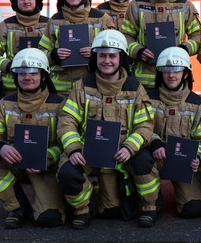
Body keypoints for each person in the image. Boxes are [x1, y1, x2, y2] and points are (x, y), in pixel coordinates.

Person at [56, 30, 155, 229]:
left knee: (141, 163)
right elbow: (67, 120)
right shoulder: (81, 86)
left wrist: (129, 147)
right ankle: (84, 207)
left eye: (112, 55)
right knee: (67, 172)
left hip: (122, 153)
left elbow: (145, 125)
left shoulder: (135, 88)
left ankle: (149, 206)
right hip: (87, 151)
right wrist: (74, 149)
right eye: (102, 55)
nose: (107, 60)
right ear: (95, 57)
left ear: (121, 58)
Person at [0, 48, 67, 229]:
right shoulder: (5, 103)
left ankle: (54, 202)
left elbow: (66, 143)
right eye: (22, 73)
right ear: (15, 77)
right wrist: (1, 147)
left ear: (44, 76)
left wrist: (48, 157)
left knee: (50, 220)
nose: (27, 77)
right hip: (15, 163)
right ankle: (18, 207)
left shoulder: (59, 104)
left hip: (46, 169)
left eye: (33, 73)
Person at [142, 47, 201, 222]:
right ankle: (152, 201)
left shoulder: (198, 104)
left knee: (194, 209)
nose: (171, 75)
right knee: (140, 161)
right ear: (160, 73)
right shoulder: (148, 99)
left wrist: (198, 156)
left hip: (184, 163)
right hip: (155, 157)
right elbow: (141, 127)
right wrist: (155, 142)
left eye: (176, 70)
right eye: (166, 70)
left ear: (186, 73)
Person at [122, 0, 201, 90]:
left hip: (177, 79)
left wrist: (184, 49)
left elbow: (198, 35)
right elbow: (125, 36)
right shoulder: (136, 5)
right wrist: (138, 51)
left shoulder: (185, 5)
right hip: (145, 82)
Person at [38, 0, 115, 96]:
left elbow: (116, 52)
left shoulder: (102, 18)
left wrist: (96, 53)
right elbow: (41, 53)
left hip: (92, 87)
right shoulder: (55, 21)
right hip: (60, 90)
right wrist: (54, 55)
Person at [0, 0, 49, 105]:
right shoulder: (5, 26)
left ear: (37, 0)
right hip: (12, 88)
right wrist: (8, 66)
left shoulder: (49, 24)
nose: (26, 1)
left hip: (43, 88)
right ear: (15, 2)